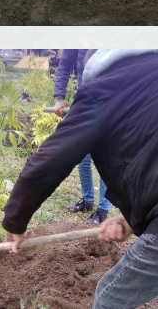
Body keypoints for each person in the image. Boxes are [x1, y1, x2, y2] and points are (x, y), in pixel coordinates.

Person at [4, 50, 158, 309]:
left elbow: (51, 159)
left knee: (109, 299)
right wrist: (131, 220)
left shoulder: (103, 90)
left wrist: (14, 221)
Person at [52, 50, 112, 224]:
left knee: (107, 159)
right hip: (85, 98)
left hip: (111, 100)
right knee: (82, 156)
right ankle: (87, 201)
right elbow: (65, 63)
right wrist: (59, 97)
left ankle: (103, 210)